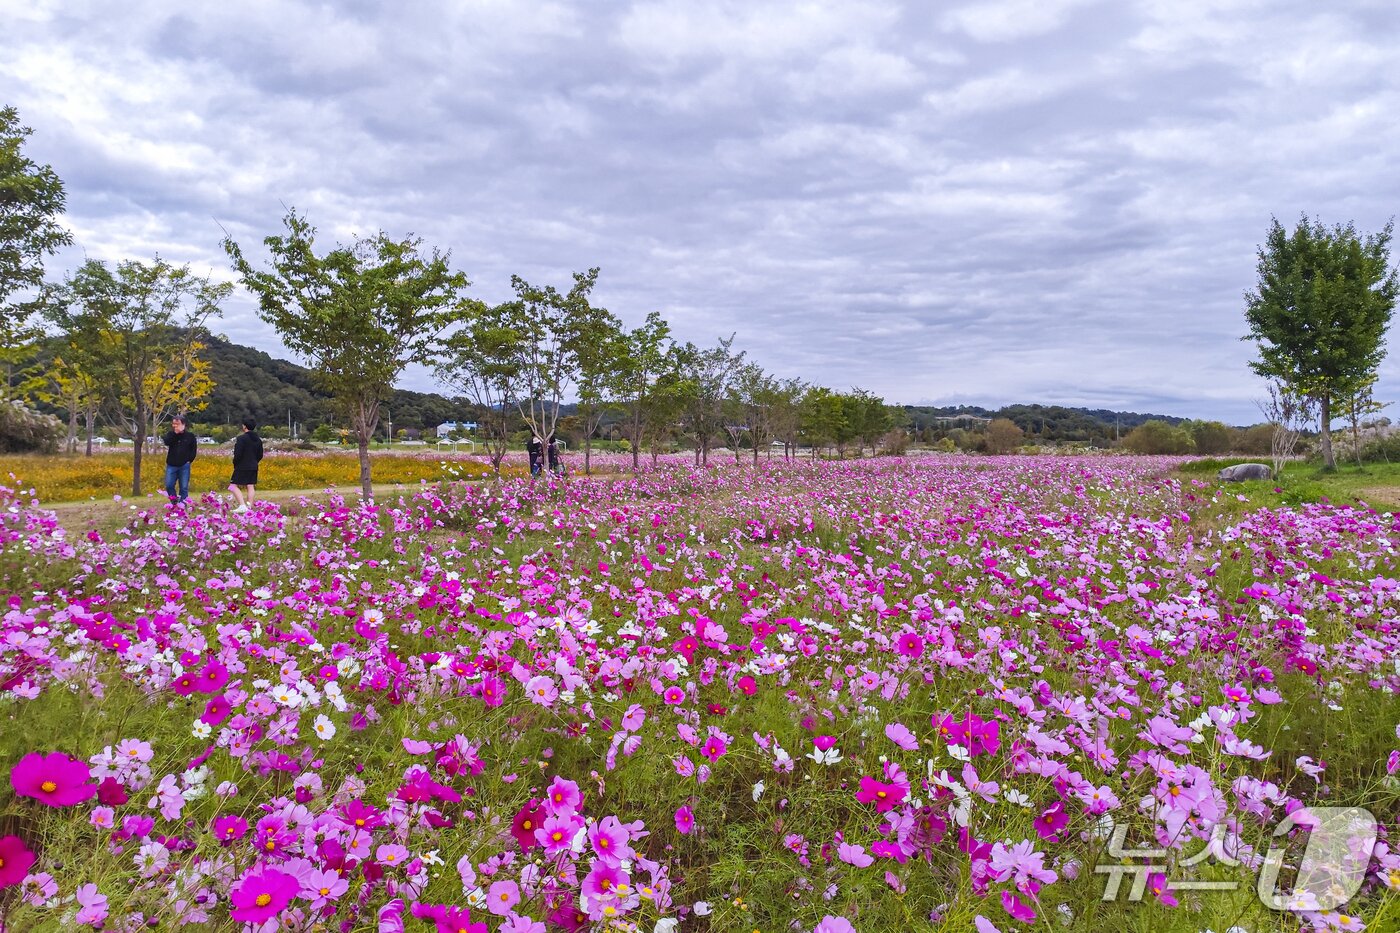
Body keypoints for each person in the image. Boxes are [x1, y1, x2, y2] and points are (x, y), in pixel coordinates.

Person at [229, 419, 264, 513]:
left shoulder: (241, 439)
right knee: (250, 485)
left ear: (244, 426)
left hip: (242, 465)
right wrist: (255, 461)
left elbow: (238, 454)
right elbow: (260, 454)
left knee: (232, 486)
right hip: (253, 465)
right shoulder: (258, 440)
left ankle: (242, 505)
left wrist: (235, 463)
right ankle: (249, 506)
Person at [162, 415, 197, 505]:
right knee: (169, 485)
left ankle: (182, 504)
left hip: (184, 465)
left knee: (184, 487)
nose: (175, 425)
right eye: (173, 423)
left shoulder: (190, 436)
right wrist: (176, 433)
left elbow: (193, 450)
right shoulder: (171, 434)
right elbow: (167, 442)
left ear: (183, 424)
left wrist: (189, 460)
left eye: (177, 423)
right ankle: (174, 502)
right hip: (171, 464)